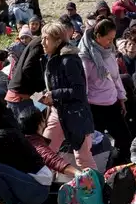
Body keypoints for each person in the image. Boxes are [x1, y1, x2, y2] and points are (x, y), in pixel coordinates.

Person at [38, 22, 96, 170]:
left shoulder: (69, 60)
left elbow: (79, 91)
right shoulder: (51, 59)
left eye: (46, 38)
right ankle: (44, 187)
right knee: (45, 152)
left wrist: (55, 95)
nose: (42, 42)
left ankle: (98, 190)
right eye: (42, 38)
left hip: (75, 115)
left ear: (57, 41)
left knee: (83, 158)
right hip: (57, 112)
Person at [80, 18, 129, 163]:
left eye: (113, 39)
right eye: (108, 39)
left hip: (112, 103)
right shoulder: (86, 58)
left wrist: (122, 97)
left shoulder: (109, 52)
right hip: (95, 107)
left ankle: (118, 168)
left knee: (125, 139)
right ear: (98, 36)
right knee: (96, 145)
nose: (111, 43)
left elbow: (115, 77)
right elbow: (84, 85)